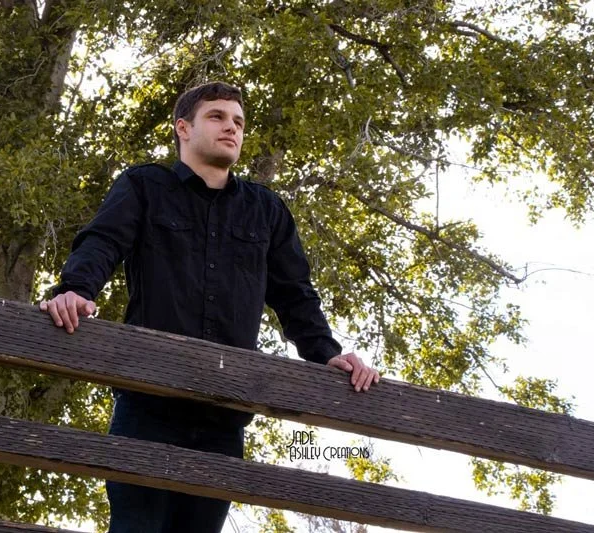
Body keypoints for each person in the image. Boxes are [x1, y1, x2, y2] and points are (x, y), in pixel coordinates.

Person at [40, 81, 380, 533]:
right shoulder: (144, 186)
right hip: (148, 404)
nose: (231, 127)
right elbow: (103, 241)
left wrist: (326, 354)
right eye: (217, 116)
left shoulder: (266, 210)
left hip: (225, 414)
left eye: (238, 121)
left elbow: (295, 293)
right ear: (183, 128)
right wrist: (76, 290)